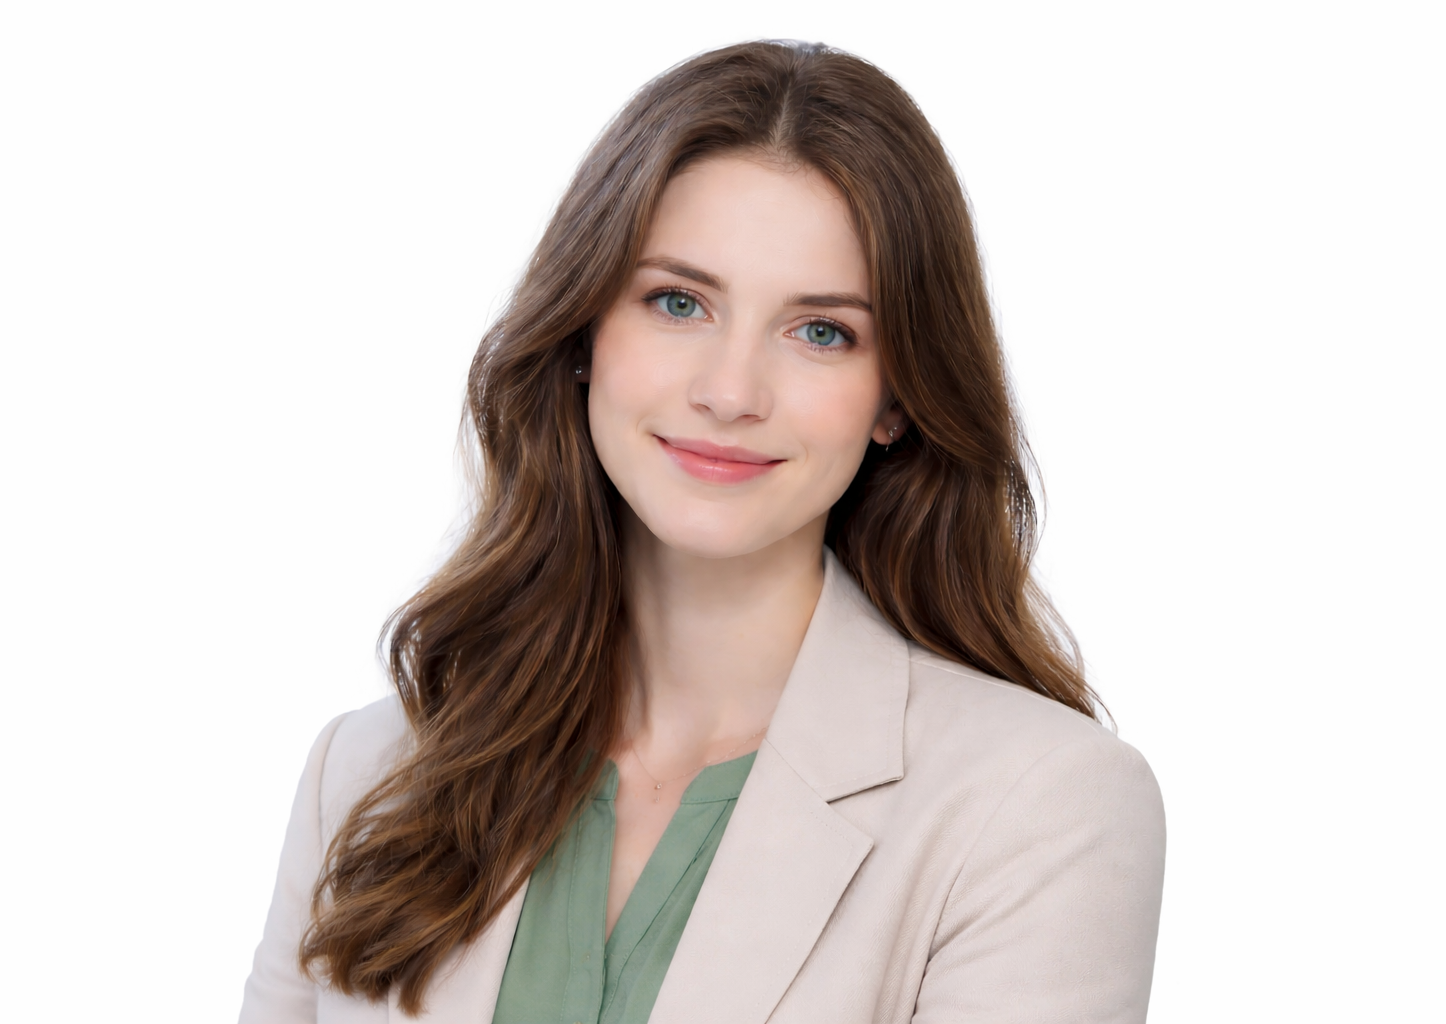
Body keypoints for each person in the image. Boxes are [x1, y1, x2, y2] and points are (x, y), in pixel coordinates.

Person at [239, 40, 1166, 1024]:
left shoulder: (1037, 806)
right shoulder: (371, 771)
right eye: (678, 302)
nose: (730, 392)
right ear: (584, 333)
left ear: (896, 397)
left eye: (821, 331)